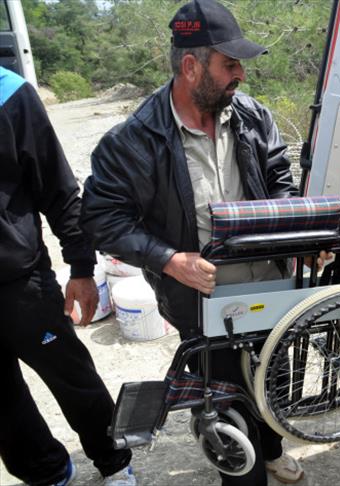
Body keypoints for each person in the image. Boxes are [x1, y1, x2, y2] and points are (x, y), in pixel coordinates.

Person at [81, 1, 305, 484]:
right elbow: (100, 218)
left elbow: (279, 180)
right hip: (203, 300)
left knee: (271, 379)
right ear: (190, 66)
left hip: (269, 285)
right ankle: (245, 466)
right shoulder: (134, 140)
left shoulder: (252, 116)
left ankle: (271, 447)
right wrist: (168, 259)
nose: (240, 74)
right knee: (226, 401)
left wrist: (299, 233)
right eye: (230, 64)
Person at [0, 67, 135, 486]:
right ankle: (47, 472)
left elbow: (58, 189)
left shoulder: (9, 94)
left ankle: (114, 461)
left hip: (20, 283)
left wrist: (81, 268)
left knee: (72, 376)